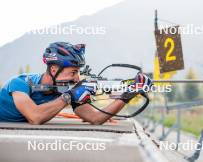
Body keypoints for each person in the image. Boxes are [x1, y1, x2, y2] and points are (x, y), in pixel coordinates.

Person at [0, 42, 152, 125]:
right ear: (53, 69)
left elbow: (96, 118)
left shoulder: (66, 90)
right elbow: (35, 117)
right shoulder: (19, 83)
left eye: (78, 73)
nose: (77, 79)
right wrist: (68, 97)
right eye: (73, 73)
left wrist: (126, 95)